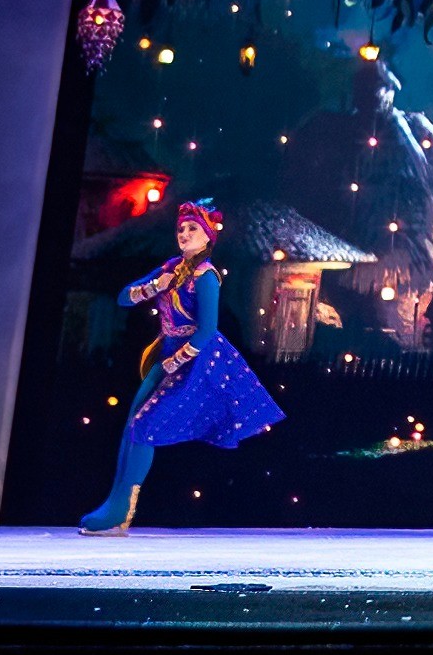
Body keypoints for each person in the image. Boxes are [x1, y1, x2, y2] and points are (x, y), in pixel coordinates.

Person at [78, 200, 283, 535]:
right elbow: (123, 297)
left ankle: (120, 512)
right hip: (168, 357)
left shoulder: (205, 277)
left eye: (193, 229)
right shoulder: (171, 268)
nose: (185, 234)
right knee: (133, 424)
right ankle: (114, 507)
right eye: (181, 229)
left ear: (207, 237)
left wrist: (176, 361)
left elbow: (206, 330)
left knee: (145, 425)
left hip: (197, 362)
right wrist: (153, 287)